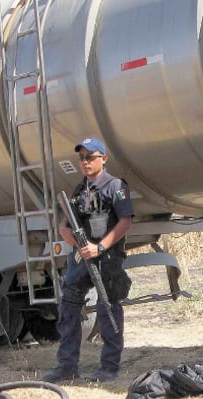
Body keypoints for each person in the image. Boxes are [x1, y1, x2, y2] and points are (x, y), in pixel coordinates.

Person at [44, 137, 134, 383]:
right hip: (81, 258)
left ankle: (109, 367)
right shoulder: (79, 190)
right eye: (82, 158)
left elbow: (125, 221)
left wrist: (100, 247)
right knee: (68, 307)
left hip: (107, 257)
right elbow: (66, 223)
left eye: (90, 157)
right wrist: (68, 234)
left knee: (108, 309)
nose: (85, 162)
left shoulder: (116, 186)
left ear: (103, 158)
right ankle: (67, 366)